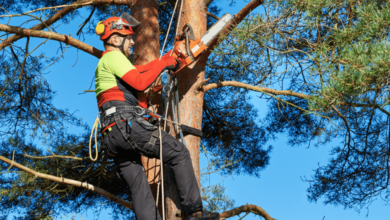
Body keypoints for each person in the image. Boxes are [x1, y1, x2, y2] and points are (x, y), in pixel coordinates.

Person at [94, 12, 220, 220]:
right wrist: (164, 64)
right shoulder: (113, 56)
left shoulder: (107, 64)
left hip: (112, 135)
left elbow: (140, 71)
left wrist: (166, 60)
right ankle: (194, 214)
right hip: (125, 126)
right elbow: (141, 82)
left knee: (139, 187)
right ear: (115, 39)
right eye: (128, 37)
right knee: (179, 153)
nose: (132, 42)